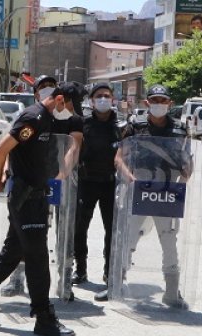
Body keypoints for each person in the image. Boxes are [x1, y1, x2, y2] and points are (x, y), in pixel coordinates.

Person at [0, 82, 79, 336]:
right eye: (69, 106)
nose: (70, 112)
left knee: (13, 253)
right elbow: (0, 149)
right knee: (37, 257)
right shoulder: (33, 117)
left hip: (34, 195)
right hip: (27, 198)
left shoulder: (45, 119)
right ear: (58, 99)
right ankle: (44, 318)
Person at [0, 76, 84, 297]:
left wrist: (62, 173)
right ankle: (17, 278)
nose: (46, 91)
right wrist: (7, 173)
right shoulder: (32, 115)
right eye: (42, 88)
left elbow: (73, 148)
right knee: (23, 229)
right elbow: (12, 148)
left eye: (51, 86)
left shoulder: (71, 116)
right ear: (36, 93)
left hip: (59, 180)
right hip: (30, 181)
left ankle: (65, 278)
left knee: (65, 229)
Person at [113, 85, 192, 307]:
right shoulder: (134, 127)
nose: (159, 104)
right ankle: (117, 282)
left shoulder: (179, 130)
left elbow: (188, 159)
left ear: (170, 103)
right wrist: (129, 177)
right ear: (147, 103)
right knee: (129, 236)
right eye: (154, 100)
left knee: (169, 240)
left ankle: (172, 291)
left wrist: (187, 174)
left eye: (163, 100)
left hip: (167, 192)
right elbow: (119, 157)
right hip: (138, 189)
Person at [74, 83, 127, 299]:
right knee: (79, 228)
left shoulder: (122, 126)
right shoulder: (83, 123)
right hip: (86, 182)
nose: (103, 99)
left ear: (113, 100)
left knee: (112, 231)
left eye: (107, 96)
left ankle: (109, 274)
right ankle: (80, 270)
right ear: (92, 100)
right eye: (99, 96)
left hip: (110, 184)